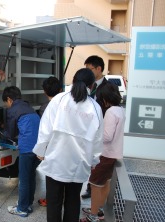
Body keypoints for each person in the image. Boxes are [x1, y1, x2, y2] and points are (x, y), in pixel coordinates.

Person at [33, 68, 103, 222]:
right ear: (91, 86)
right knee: (73, 201)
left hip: (55, 161)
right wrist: (94, 161)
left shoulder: (59, 99)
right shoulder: (95, 108)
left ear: (73, 81)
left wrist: (41, 150)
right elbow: (98, 140)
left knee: (53, 202)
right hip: (79, 164)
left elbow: (45, 128)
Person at [80, 81, 126, 222]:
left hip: (105, 154)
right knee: (104, 183)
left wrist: (92, 133)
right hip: (113, 154)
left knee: (94, 184)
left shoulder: (111, 112)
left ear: (105, 98)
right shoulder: (120, 110)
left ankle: (93, 215)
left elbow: (106, 136)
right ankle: (99, 210)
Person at [2, 86, 41, 218]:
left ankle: (22, 209)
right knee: (31, 176)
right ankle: (28, 204)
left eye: (6, 103)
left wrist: (1, 130)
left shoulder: (13, 110)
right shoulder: (29, 107)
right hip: (38, 149)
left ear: (9, 99)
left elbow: (11, 133)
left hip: (27, 149)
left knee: (23, 179)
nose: (7, 106)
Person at [82, 55, 107, 199]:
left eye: (90, 69)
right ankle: (89, 186)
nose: (88, 73)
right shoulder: (85, 86)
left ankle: (93, 189)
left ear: (99, 69)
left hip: (99, 131)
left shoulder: (108, 87)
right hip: (85, 130)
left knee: (96, 161)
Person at [37, 76, 62, 207]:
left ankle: (50, 200)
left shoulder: (44, 108)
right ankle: (60, 199)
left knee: (52, 178)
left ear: (44, 92)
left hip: (51, 148)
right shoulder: (68, 105)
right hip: (66, 147)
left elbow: (44, 132)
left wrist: (41, 151)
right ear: (61, 89)